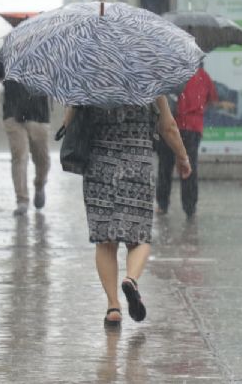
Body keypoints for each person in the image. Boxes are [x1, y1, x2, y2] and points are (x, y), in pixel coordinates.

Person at [64, 97, 190, 327]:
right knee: (139, 237)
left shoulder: (91, 82)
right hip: (137, 165)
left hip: (99, 166)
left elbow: (69, 123)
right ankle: (130, 279)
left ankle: (113, 307)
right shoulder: (149, 82)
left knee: (105, 240)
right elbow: (168, 127)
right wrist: (182, 156)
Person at [0, 58, 50, 215]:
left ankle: (39, 184)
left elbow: (61, 77)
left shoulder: (45, 50)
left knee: (43, 160)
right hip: (13, 114)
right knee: (19, 156)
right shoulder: (7, 53)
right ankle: (22, 200)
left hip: (39, 114)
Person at [156, 66, 224, 218]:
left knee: (165, 165)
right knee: (189, 167)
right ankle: (189, 206)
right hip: (193, 127)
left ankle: (162, 204)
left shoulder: (170, 72)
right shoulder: (202, 75)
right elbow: (212, 99)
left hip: (170, 126)